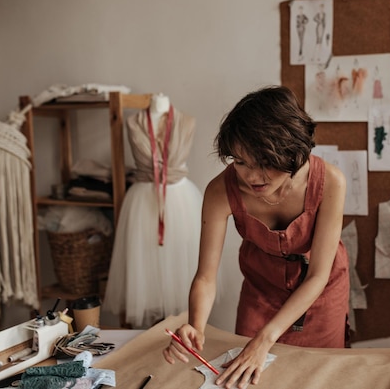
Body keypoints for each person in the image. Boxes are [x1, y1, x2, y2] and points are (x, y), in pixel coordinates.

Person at [163, 86, 350, 388]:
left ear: (292, 152)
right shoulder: (220, 191)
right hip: (261, 287)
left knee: (318, 376)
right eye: (240, 161)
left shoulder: (331, 182)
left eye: (263, 162)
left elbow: (317, 276)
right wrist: (195, 326)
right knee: (246, 377)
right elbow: (206, 277)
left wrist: (266, 339)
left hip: (321, 289)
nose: (250, 176)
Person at [102, 93, 202, 328]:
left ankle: (184, 331)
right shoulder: (132, 122)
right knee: (144, 265)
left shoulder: (187, 120)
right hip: (143, 200)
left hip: (179, 199)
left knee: (179, 265)